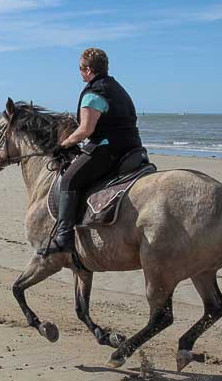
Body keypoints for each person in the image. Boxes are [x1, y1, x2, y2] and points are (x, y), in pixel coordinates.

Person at [38, 47, 143, 257]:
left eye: (80, 69)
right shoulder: (118, 88)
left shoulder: (93, 94)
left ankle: (63, 238)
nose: (79, 73)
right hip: (133, 147)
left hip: (108, 149)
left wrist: (65, 143)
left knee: (68, 179)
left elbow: (86, 130)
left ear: (87, 70)